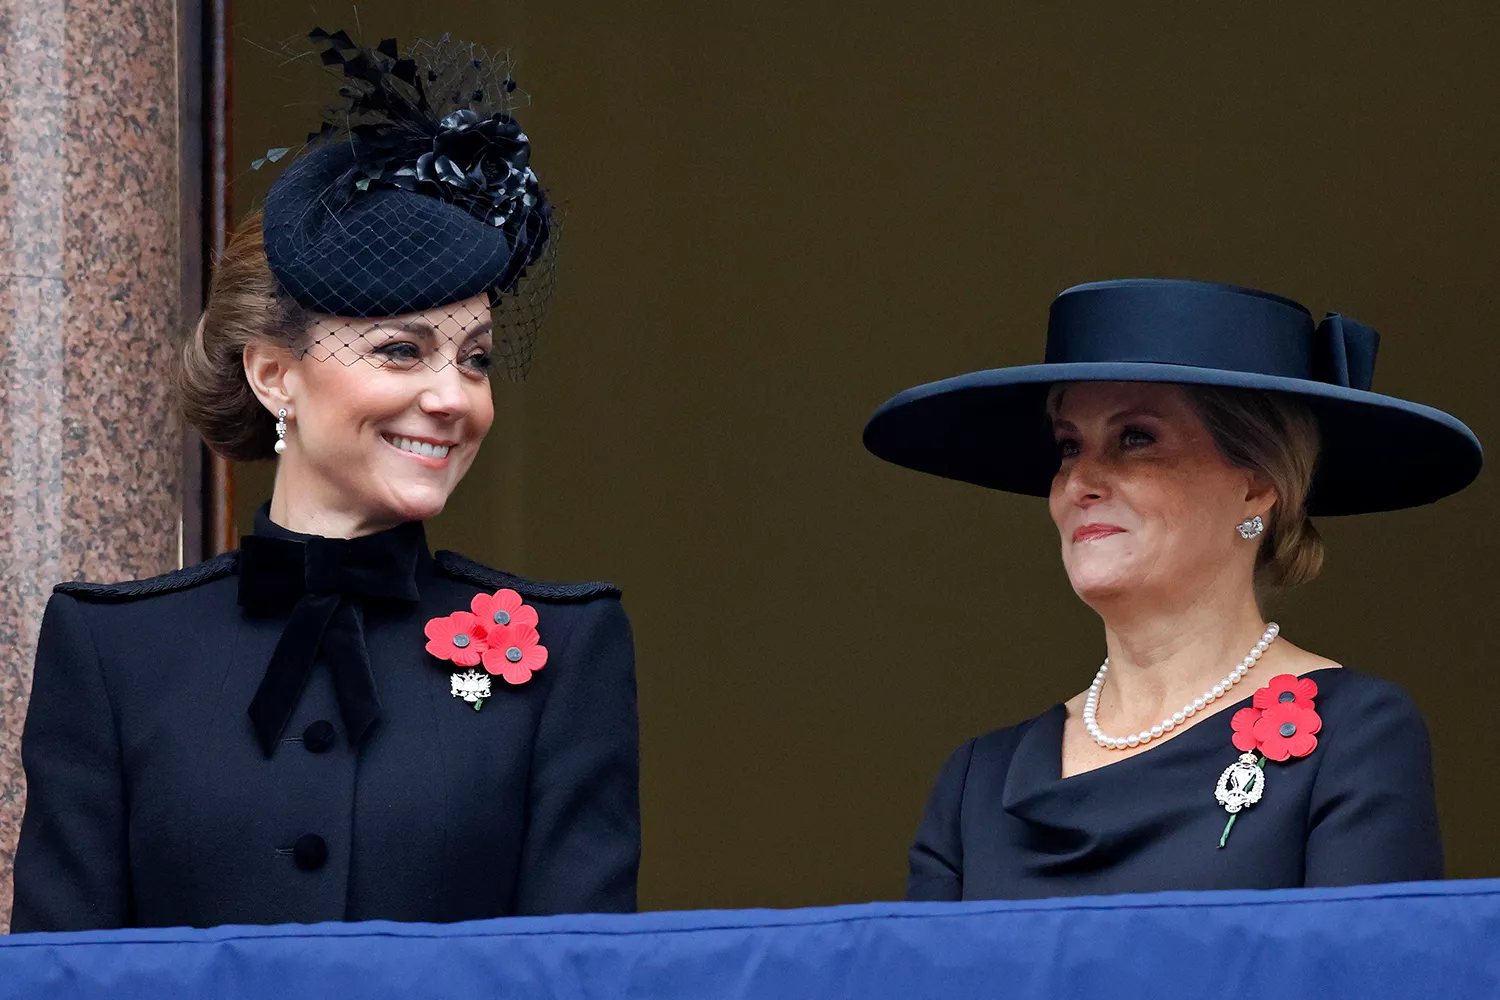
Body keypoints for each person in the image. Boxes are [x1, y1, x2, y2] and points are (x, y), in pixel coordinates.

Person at [10, 30, 639, 931]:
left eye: (475, 360)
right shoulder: (114, 653)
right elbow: (63, 977)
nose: (451, 397)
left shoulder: (568, 653)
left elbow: (582, 978)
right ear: (274, 376)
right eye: (399, 351)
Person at [863, 278, 1482, 900]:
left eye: (1135, 438)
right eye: (1068, 446)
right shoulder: (978, 782)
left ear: (1257, 483)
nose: (1080, 480)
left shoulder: (1354, 734)